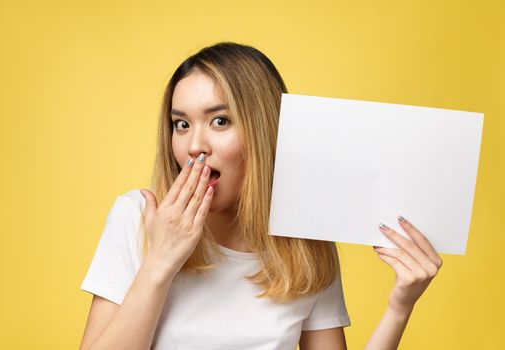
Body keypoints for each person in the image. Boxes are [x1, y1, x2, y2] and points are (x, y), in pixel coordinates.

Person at [79, 42, 442, 350]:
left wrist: (399, 307)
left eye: (220, 121)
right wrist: (159, 262)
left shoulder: (304, 243)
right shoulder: (138, 216)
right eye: (182, 124)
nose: (194, 146)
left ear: (263, 130)